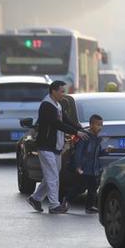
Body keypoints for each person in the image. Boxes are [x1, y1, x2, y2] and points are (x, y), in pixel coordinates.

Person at [27, 80, 88, 214]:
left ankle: (36, 198)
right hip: (46, 146)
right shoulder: (47, 105)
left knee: (51, 175)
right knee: (53, 175)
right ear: (53, 91)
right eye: (61, 91)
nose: (63, 94)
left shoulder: (57, 104)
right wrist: (76, 132)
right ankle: (54, 205)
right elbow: (56, 124)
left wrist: (80, 128)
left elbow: (65, 120)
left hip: (56, 147)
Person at [63, 115, 111, 214]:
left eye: (101, 125)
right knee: (80, 187)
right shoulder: (85, 137)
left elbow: (97, 153)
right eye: (98, 125)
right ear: (91, 124)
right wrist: (78, 166)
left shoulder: (97, 138)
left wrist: (105, 151)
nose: (100, 127)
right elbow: (78, 153)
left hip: (94, 168)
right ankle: (66, 200)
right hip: (85, 167)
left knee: (93, 187)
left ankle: (89, 206)